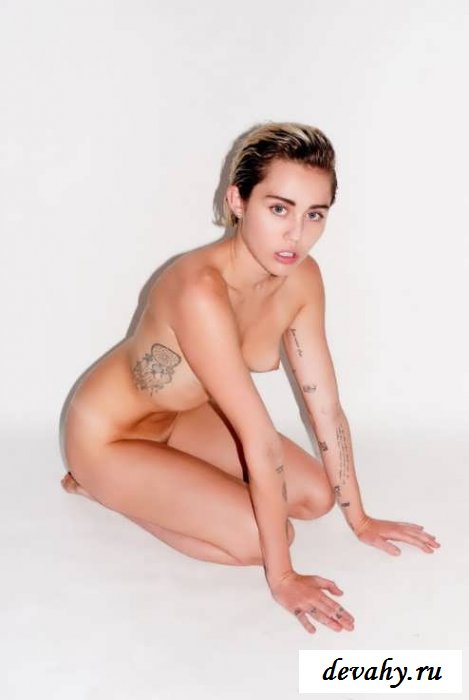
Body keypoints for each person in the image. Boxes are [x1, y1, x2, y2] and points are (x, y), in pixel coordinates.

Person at [61, 121, 440, 634]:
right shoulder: (198, 289)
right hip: (108, 437)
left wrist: (361, 520)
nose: (296, 235)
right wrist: (282, 576)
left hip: (179, 418)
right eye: (279, 209)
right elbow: (257, 438)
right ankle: (98, 487)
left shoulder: (302, 279)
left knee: (316, 496)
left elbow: (325, 408)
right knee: (260, 539)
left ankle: (154, 484)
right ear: (238, 200)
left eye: (314, 215)